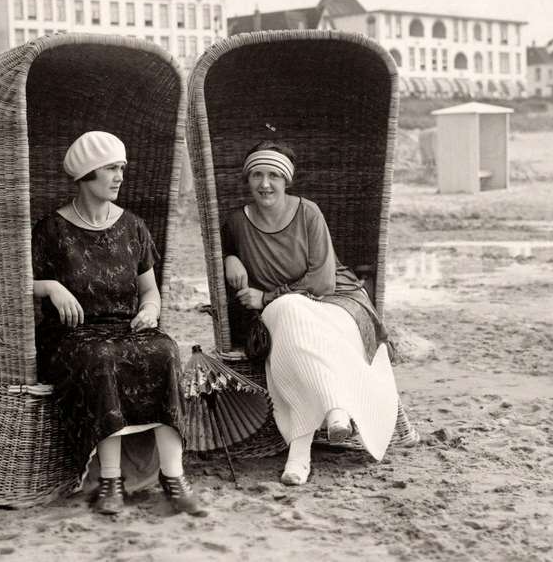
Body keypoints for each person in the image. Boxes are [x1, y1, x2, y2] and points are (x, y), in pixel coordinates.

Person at [32, 131, 206, 516]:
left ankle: (174, 478)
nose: (119, 177)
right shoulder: (51, 229)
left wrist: (149, 311)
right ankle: (111, 480)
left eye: (122, 169)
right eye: (111, 169)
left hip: (125, 326)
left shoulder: (133, 227)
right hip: (71, 335)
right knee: (99, 357)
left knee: (163, 350)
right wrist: (50, 287)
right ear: (87, 173)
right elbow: (17, 282)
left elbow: (150, 291)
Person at [221, 141, 402, 486]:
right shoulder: (236, 223)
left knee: (290, 329)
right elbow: (226, 249)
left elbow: (322, 281)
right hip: (280, 307)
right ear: (247, 179)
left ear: (287, 180)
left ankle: (299, 454)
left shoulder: (309, 213)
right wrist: (230, 257)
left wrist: (267, 296)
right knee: (289, 314)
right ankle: (334, 408)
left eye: (274, 175)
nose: (265, 184)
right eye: (257, 175)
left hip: (336, 300)